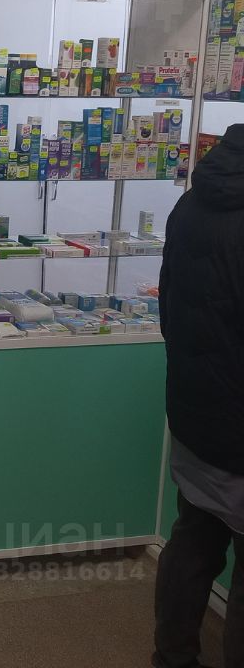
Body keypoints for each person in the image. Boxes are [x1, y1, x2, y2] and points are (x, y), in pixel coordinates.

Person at [155, 123, 244, 668]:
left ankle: (172, 655)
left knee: (192, 543)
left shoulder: (192, 203)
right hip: (235, 427)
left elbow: (169, 307)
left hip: (194, 413)